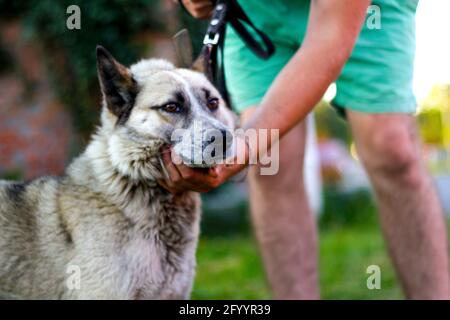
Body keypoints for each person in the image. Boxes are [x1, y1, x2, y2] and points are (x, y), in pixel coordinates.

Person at [160, 0, 450, 299]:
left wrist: (242, 148)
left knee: (390, 147)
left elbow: (329, 38)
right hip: (256, 11)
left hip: (367, 11)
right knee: (272, 163)